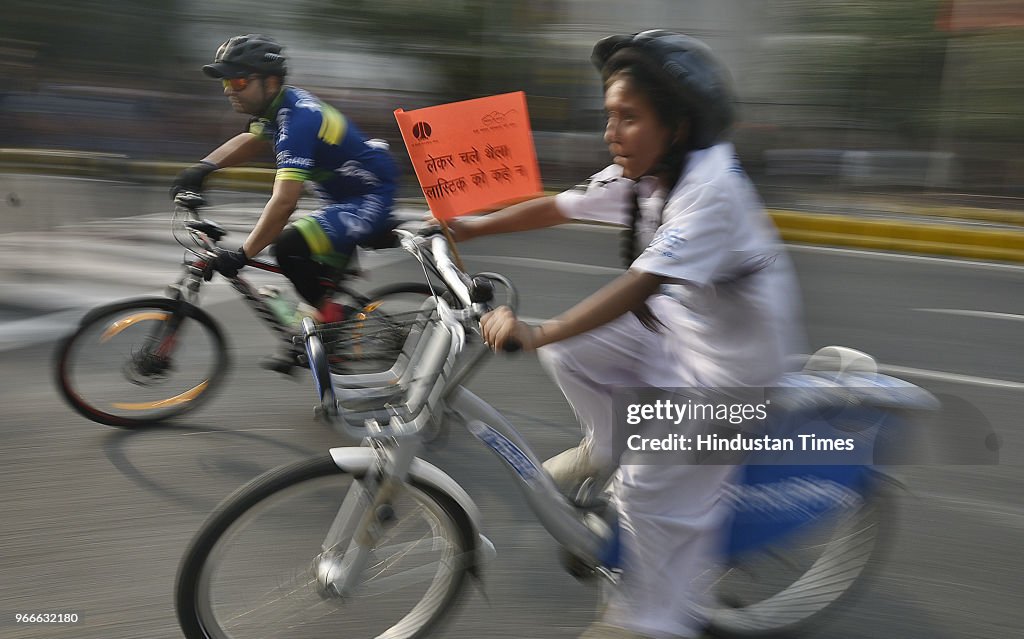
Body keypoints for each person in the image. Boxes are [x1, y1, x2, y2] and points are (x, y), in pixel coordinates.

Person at [454, 31, 805, 639]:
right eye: (609, 116)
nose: (612, 132)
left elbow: (639, 286)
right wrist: (469, 227)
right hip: (679, 337)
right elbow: (561, 206)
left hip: (730, 378)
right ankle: (608, 444)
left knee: (647, 488)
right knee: (577, 349)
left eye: (629, 118)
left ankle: (653, 621)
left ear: (678, 125)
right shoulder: (652, 171)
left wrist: (535, 332)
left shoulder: (710, 189)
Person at [172, 34, 399, 333]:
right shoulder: (278, 107)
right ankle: (321, 333)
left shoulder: (298, 122)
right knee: (311, 290)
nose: (229, 90)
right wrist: (203, 168)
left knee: (289, 247)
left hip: (369, 197)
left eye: (238, 82)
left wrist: (242, 255)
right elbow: (253, 139)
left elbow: (284, 203)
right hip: (343, 198)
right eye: (225, 83)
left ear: (271, 81)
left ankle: (334, 324)